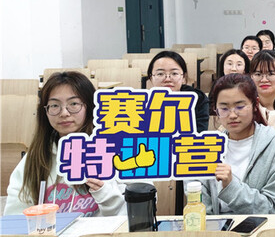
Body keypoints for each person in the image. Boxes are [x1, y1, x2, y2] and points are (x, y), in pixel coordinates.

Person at [5, 72, 126, 216]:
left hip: (101, 231)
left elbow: (129, 214)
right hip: (48, 231)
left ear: (89, 106)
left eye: (74, 104)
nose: (64, 113)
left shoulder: (113, 151)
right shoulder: (35, 157)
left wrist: (105, 194)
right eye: (54, 105)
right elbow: (15, 214)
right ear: (45, 111)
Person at [201, 74, 275, 214]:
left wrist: (231, 186)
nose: (232, 115)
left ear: (255, 105)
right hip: (218, 226)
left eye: (240, 107)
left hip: (263, 225)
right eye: (224, 108)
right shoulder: (208, 147)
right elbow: (202, 207)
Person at [148, 50, 209, 131]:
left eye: (174, 73)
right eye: (160, 74)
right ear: (151, 78)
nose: (167, 79)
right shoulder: (141, 101)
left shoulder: (198, 99)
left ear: (183, 77)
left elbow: (199, 132)